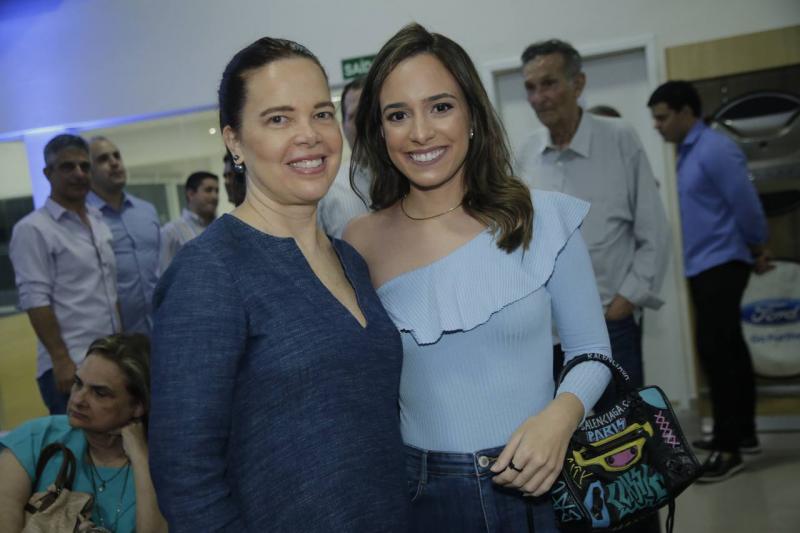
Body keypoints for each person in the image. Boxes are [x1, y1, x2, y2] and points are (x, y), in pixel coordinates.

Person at [344, 23, 611, 532]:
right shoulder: (359, 240)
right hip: (422, 495)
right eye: (398, 115)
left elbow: (592, 351)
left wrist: (562, 415)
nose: (421, 132)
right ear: (379, 132)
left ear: (471, 114)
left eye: (440, 106)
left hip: (539, 479)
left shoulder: (540, 217)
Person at [148, 37, 409, 532]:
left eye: (321, 113)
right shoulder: (209, 272)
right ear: (234, 141)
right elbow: (186, 479)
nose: (309, 135)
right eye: (278, 119)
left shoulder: (350, 259)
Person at [515, 39, 669, 416]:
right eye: (530, 88)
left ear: (578, 84)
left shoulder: (619, 138)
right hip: (548, 333)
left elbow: (654, 228)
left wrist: (627, 299)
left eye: (549, 84)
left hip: (610, 321)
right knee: (565, 437)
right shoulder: (526, 153)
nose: (538, 98)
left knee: (626, 431)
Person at [648, 80, 770, 482]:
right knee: (729, 350)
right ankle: (743, 433)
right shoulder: (687, 152)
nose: (657, 125)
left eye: (663, 117)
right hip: (704, 265)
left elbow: (745, 203)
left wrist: (758, 245)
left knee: (718, 355)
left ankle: (727, 447)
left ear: (686, 112)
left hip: (722, 262)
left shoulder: (715, 148)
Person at [0, 334, 167, 533]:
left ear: (138, 406)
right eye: (78, 383)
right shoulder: (37, 438)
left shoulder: (162, 463)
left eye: (100, 393)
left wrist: (140, 457)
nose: (78, 399)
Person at [9, 134, 121, 415]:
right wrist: (61, 360)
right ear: (48, 173)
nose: (79, 173)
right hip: (72, 366)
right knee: (76, 443)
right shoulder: (33, 229)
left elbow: (109, 289)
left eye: (84, 166)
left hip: (110, 359)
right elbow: (36, 300)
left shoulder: (98, 221)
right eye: (67, 166)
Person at [88, 136, 161, 335]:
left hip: (160, 330)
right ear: (89, 171)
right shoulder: (85, 219)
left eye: (116, 156)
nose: (114, 163)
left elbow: (160, 268)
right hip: (113, 338)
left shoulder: (147, 211)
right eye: (103, 159)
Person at [318, 76, 372, 237]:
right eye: (355, 115)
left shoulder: (412, 180)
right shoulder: (326, 189)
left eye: (370, 113)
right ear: (343, 126)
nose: (365, 123)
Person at [158, 171, 219, 271]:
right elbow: (163, 273)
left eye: (217, 191)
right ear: (191, 194)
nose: (214, 196)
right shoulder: (171, 232)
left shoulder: (221, 228)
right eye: (208, 190)